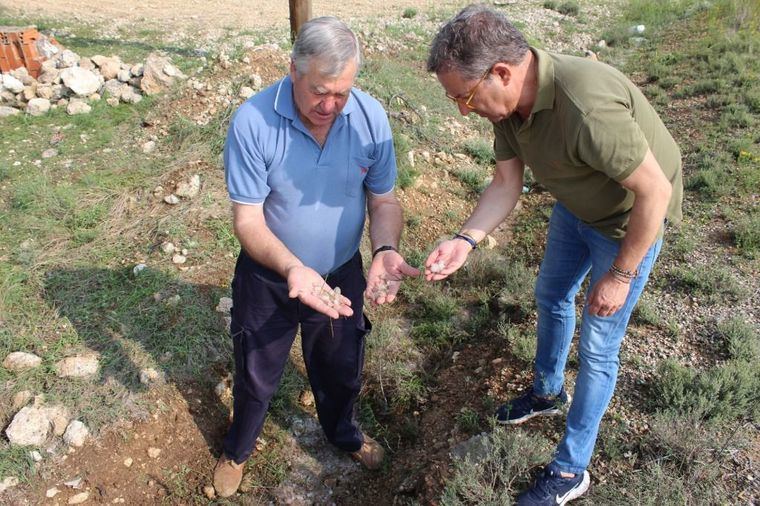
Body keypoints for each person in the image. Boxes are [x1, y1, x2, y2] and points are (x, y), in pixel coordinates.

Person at [425, 5, 682, 505]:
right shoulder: (507, 107)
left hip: (628, 223)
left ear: (502, 72)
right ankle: (547, 392)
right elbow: (505, 182)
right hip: (576, 208)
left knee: (598, 346)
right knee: (551, 296)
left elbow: (654, 192)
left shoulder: (583, 105)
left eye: (465, 97)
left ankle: (570, 471)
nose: (463, 110)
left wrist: (621, 273)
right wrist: (465, 240)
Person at [214, 16, 419, 498]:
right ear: (293, 71)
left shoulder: (370, 118)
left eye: (341, 93)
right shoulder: (253, 122)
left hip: (341, 273)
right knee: (256, 373)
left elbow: (384, 200)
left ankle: (344, 435)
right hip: (270, 277)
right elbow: (247, 221)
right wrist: (292, 268)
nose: (330, 105)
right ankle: (237, 449)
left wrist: (385, 248)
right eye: (320, 92)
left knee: (340, 366)